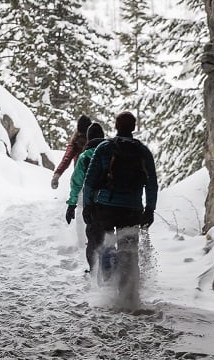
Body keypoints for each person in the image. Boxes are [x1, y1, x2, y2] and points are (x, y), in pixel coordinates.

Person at [81, 111, 157, 276]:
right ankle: (128, 292)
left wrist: (87, 206)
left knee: (106, 245)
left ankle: (107, 285)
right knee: (129, 251)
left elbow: (89, 181)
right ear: (133, 127)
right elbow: (152, 183)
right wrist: (150, 209)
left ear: (116, 126)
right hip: (132, 210)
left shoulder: (104, 148)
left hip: (105, 208)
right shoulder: (142, 151)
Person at [64, 122, 106, 265]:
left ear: (88, 139)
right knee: (108, 235)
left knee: (93, 238)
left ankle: (94, 270)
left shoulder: (85, 156)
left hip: (92, 203)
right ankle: (109, 267)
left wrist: (71, 204)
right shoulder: (111, 153)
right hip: (111, 201)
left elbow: (76, 183)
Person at [50, 115, 91, 189]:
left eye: (84, 136)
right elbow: (67, 158)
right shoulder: (75, 141)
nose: (82, 138)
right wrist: (57, 174)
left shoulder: (95, 140)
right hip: (79, 176)